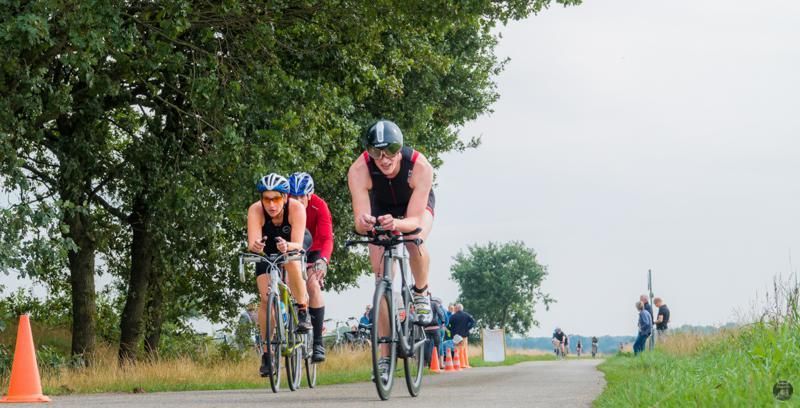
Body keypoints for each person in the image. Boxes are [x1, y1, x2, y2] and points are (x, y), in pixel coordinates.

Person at [347, 120, 436, 379]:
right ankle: (385, 358)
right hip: (380, 208)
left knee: (413, 240)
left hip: (413, 210)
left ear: (401, 149)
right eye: (376, 153)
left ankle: (420, 292)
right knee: (381, 282)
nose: (384, 159)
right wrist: (365, 223)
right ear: (369, 152)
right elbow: (360, 221)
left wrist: (397, 224)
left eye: (390, 151)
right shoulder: (359, 170)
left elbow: (415, 222)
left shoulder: (420, 167)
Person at [247, 173, 310, 377]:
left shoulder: (296, 208)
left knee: (291, 260)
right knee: (265, 299)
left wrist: (288, 246)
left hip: (292, 243)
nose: (271, 204)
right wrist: (256, 246)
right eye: (267, 199)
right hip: (268, 249)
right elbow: (252, 242)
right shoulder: (256, 210)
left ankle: (302, 309)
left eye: (276, 198)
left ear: (284, 197)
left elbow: (298, 244)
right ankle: (267, 354)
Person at [288, 172, 333, 362]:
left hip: (314, 248)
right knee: (288, 281)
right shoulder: (285, 206)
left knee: (313, 286)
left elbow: (327, 238)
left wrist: (323, 260)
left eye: (301, 196)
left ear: (309, 195)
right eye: (293, 196)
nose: (297, 200)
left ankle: (318, 343)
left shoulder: (319, 205)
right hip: (292, 246)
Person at [423, 296, 447, 368]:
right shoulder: (434, 304)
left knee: (427, 346)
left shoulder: (424, 304)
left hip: (426, 328)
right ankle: (437, 363)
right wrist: (443, 322)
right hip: (435, 328)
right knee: (437, 345)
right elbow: (440, 313)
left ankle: (427, 363)